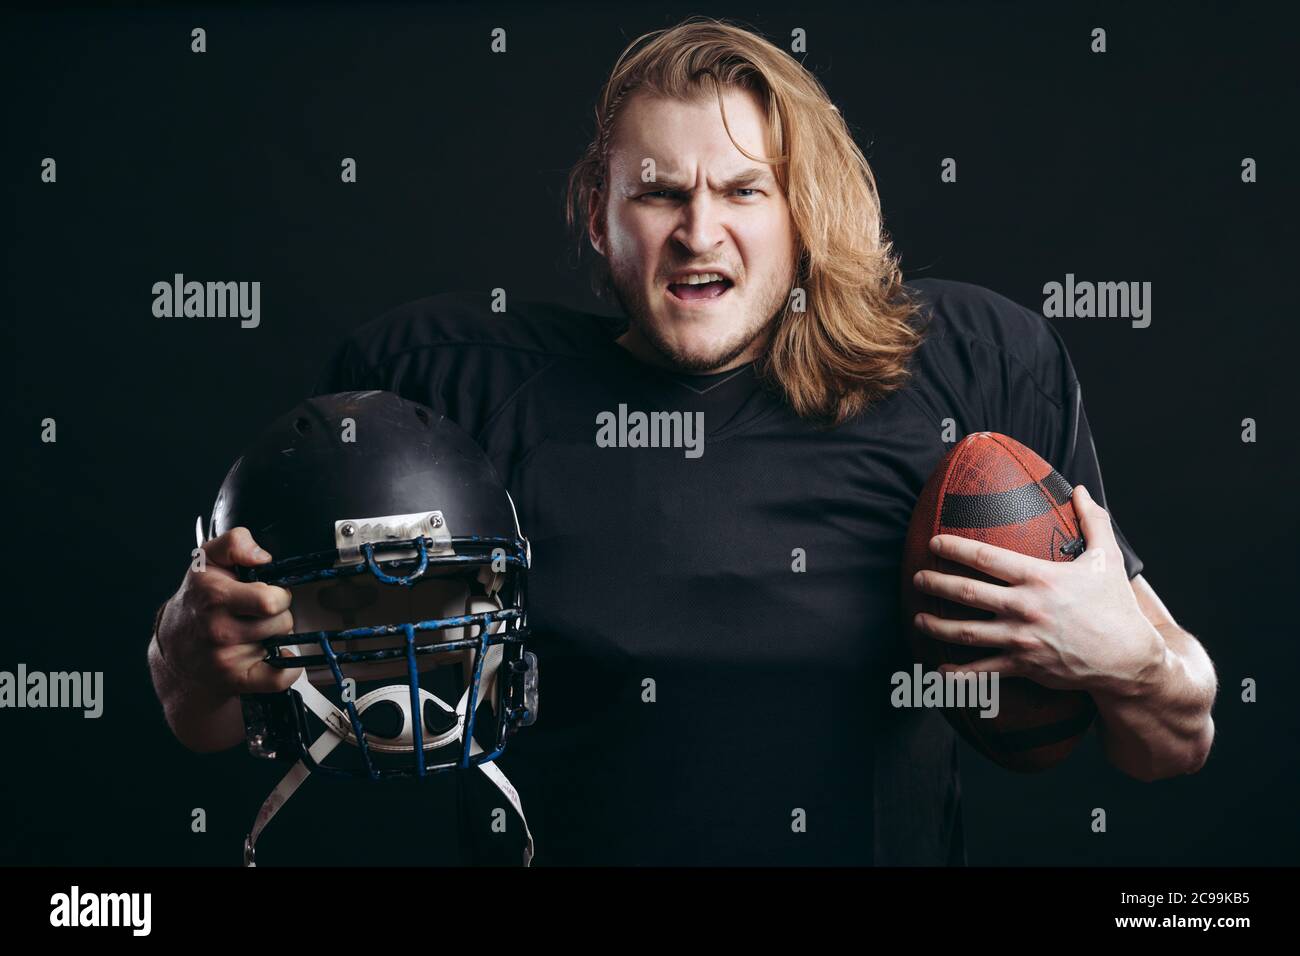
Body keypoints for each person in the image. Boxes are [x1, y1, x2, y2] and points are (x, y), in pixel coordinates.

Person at [148, 17, 1216, 865]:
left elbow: (1172, 742)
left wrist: (1132, 661)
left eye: (743, 189)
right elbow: (211, 711)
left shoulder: (967, 370)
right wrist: (194, 653)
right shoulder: (456, 390)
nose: (699, 229)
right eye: (658, 191)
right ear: (598, 214)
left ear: (802, 211)